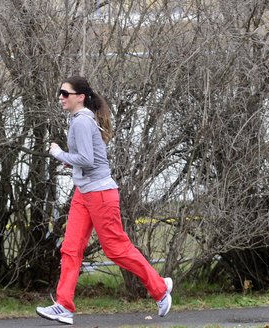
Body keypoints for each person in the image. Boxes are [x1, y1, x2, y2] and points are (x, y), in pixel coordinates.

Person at [36, 76, 173, 325]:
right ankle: (63, 306)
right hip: (84, 192)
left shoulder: (81, 122)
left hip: (99, 193)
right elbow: (88, 158)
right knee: (70, 248)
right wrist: (70, 160)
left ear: (80, 97)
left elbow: (87, 160)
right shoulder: (80, 119)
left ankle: (160, 289)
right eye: (60, 93)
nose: (60, 97)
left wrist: (58, 154)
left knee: (115, 248)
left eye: (65, 93)